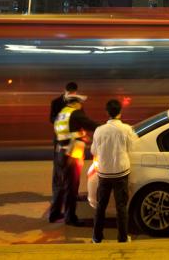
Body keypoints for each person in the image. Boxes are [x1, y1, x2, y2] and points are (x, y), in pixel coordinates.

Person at [90, 99, 139, 244]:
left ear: (107, 112)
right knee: (121, 206)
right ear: (120, 112)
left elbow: (93, 150)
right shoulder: (126, 129)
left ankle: (97, 237)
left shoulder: (99, 130)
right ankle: (123, 238)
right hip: (121, 172)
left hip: (104, 173)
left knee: (101, 206)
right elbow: (133, 148)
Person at [48, 93, 98, 226]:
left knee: (59, 185)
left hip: (60, 153)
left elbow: (68, 132)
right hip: (71, 155)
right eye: (80, 103)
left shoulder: (62, 114)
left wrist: (81, 136)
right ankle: (70, 218)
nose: (81, 106)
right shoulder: (76, 114)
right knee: (72, 186)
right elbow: (92, 125)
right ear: (75, 103)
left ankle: (54, 213)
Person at [48, 81, 78, 218]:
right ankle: (58, 212)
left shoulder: (77, 103)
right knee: (60, 178)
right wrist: (62, 119)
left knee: (67, 177)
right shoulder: (56, 102)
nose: (72, 96)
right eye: (70, 93)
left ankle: (60, 209)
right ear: (65, 91)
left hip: (73, 144)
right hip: (61, 144)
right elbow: (51, 118)